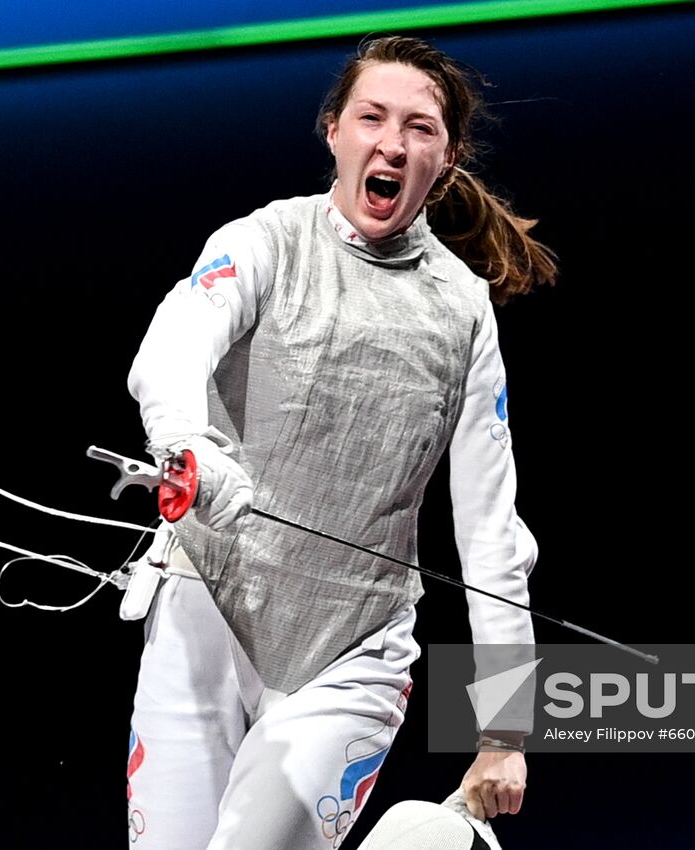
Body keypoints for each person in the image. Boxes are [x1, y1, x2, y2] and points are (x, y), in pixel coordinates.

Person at [123, 35, 556, 849]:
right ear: (335, 131)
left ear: (449, 160)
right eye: (372, 117)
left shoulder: (462, 312)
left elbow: (492, 532)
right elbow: (175, 343)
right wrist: (188, 445)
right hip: (204, 610)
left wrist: (505, 730)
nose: (392, 142)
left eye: (419, 128)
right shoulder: (264, 240)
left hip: (352, 650)